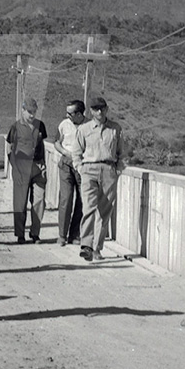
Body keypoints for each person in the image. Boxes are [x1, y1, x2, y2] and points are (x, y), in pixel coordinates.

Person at [71, 97, 125, 262]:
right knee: (88, 207)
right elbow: (76, 152)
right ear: (91, 111)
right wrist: (80, 168)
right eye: (95, 109)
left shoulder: (115, 129)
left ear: (107, 109)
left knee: (105, 211)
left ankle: (97, 248)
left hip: (109, 170)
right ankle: (86, 245)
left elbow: (121, 153)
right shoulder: (84, 129)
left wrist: (118, 170)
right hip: (89, 170)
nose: (99, 112)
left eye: (102, 108)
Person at [6, 98, 48, 244]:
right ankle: (20, 234)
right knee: (20, 202)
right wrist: (15, 170)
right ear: (22, 111)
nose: (32, 115)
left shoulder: (40, 125)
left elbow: (42, 146)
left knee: (39, 201)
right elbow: (9, 150)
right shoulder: (15, 127)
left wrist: (43, 165)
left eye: (34, 112)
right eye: (29, 112)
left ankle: (35, 233)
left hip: (37, 168)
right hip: (21, 166)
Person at [54, 99, 87, 246]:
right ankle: (62, 235)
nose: (67, 116)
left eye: (70, 113)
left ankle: (74, 235)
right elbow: (56, 142)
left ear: (79, 114)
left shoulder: (89, 127)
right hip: (66, 165)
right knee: (66, 199)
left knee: (82, 201)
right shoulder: (63, 125)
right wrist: (65, 152)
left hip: (83, 167)